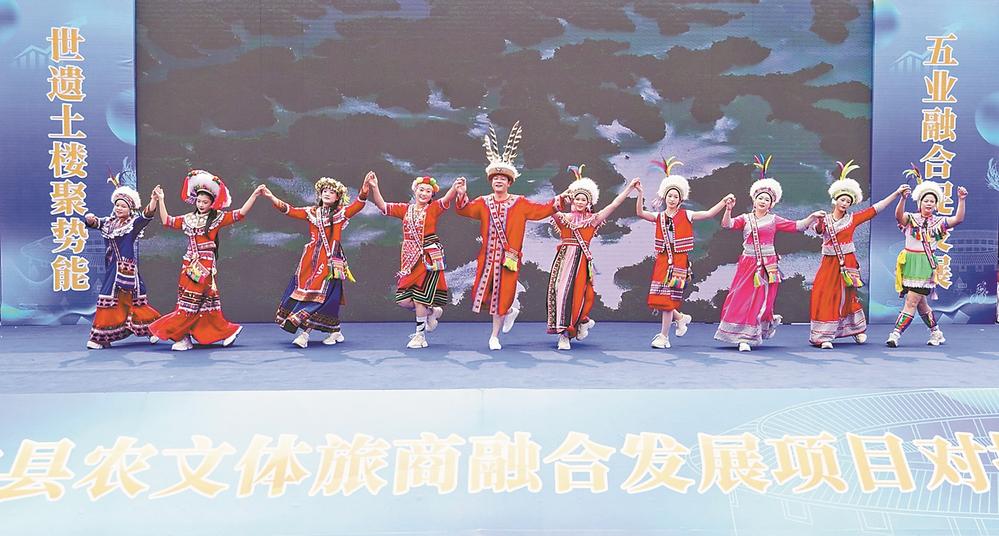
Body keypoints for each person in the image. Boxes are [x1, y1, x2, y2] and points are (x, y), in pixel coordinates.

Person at [454, 121, 567, 350]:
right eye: (495, 178)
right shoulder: (483, 202)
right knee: (483, 295)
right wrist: (461, 194)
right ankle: (510, 309)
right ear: (491, 181)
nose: (499, 181)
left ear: (509, 182)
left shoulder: (520, 203)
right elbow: (464, 210)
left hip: (509, 259)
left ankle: (494, 336)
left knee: (502, 297)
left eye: (503, 179)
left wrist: (560, 200)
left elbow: (540, 210)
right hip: (487, 259)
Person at [715, 154, 826, 352]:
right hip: (748, 263)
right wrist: (728, 209)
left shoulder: (774, 220)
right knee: (741, 297)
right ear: (754, 199)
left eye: (767, 199)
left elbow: (797, 226)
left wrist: (811, 217)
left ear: (771, 204)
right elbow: (727, 224)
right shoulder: (745, 218)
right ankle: (740, 334)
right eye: (760, 198)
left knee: (761, 300)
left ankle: (749, 337)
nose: (763, 201)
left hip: (768, 266)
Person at [148, 171, 266, 351]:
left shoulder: (217, 218)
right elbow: (167, 221)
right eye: (199, 201)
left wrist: (254, 195)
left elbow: (240, 214)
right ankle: (213, 333)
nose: (201, 205)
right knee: (196, 303)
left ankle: (169, 330)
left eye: (205, 202)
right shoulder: (188, 219)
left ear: (212, 203)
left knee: (191, 303)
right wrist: (161, 199)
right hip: (188, 264)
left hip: (204, 265)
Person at [808, 160, 910, 349]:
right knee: (825, 294)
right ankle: (824, 335)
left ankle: (856, 330)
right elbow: (819, 231)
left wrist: (896, 194)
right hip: (829, 263)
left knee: (848, 296)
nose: (845, 203)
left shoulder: (852, 219)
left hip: (847, 263)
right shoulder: (825, 219)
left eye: (848, 201)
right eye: (842, 200)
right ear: (835, 200)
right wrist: (818, 220)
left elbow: (875, 209)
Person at [634, 157, 734, 349]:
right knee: (658, 298)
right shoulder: (659, 216)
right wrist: (640, 194)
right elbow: (640, 213)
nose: (672, 199)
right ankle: (680, 318)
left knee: (667, 299)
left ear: (680, 200)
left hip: (679, 262)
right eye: (669, 196)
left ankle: (664, 336)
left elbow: (708, 214)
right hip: (663, 260)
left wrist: (723, 202)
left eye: (675, 197)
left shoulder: (686, 215)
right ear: (665, 197)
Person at [262, 176, 369, 348]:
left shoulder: (340, 213)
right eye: (324, 191)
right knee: (310, 294)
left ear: (338, 197)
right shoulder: (312, 212)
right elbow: (289, 210)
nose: (327, 194)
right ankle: (334, 330)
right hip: (310, 260)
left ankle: (304, 335)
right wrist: (271, 197)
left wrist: (365, 189)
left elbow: (358, 205)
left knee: (320, 297)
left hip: (331, 262)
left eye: (331, 192)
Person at [367, 173, 463, 349]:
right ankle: (432, 311)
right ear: (415, 191)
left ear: (432, 195)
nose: (424, 193)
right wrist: (375, 187)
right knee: (403, 300)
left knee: (419, 298)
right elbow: (383, 206)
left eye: (428, 191)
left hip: (428, 258)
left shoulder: (433, 208)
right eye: (421, 190)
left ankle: (420, 336)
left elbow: (447, 199)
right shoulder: (405, 209)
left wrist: (454, 188)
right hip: (409, 259)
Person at [547, 166, 639, 350]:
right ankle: (572, 327)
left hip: (581, 261)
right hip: (563, 260)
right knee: (559, 292)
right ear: (573, 200)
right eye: (577, 198)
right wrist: (564, 194)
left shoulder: (593, 219)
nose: (580, 202)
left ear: (589, 202)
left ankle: (567, 333)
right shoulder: (564, 217)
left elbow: (614, 205)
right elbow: (550, 208)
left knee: (577, 296)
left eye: (584, 199)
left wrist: (629, 188)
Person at [886, 164, 967, 347]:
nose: (929, 203)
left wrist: (961, 200)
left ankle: (895, 334)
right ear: (919, 202)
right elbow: (898, 216)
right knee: (921, 303)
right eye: (926, 200)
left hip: (924, 264)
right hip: (909, 262)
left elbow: (958, 219)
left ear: (936, 204)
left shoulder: (939, 222)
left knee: (911, 302)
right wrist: (902, 199)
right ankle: (936, 332)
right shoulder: (911, 219)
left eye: (932, 201)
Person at [83, 159, 162, 349]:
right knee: (117, 301)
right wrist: (90, 219)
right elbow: (95, 223)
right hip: (112, 268)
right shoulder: (109, 223)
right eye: (117, 205)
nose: (119, 208)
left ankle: (151, 329)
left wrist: (154, 200)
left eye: (123, 206)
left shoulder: (132, 224)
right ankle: (108, 336)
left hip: (126, 270)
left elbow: (146, 216)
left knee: (126, 300)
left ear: (130, 209)